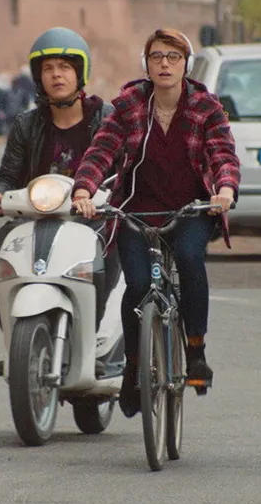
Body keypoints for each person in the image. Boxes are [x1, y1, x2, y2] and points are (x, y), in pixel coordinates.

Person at [70, 28, 240, 417]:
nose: (165, 64)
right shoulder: (130, 104)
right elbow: (102, 150)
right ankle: (133, 368)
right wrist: (84, 190)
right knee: (139, 284)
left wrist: (225, 191)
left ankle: (195, 351)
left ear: (186, 64)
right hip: (136, 209)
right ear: (145, 64)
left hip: (192, 209)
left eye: (173, 57)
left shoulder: (205, 107)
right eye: (157, 56)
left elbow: (223, 156)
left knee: (189, 257)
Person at [0, 28, 118, 327]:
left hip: (92, 217)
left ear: (80, 72)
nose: (57, 75)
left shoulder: (106, 119)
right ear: (38, 76)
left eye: (65, 67)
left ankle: (97, 326)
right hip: (37, 218)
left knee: (112, 246)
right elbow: (8, 176)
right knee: (3, 243)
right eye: (48, 69)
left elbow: (122, 174)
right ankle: (13, 331)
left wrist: (105, 201)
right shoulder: (26, 124)